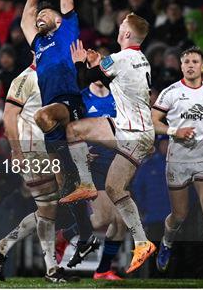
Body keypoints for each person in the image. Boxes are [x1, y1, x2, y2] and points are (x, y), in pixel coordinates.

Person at [63, 13, 156, 274]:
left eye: (121, 27)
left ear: (126, 34)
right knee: (114, 188)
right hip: (134, 130)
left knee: (74, 130)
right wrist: (95, 60)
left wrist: (83, 61)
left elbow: (95, 71)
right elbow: (105, 71)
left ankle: (84, 185)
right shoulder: (140, 59)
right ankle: (141, 243)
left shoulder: (122, 58)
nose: (118, 29)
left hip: (132, 133)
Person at [20, 0, 99, 264]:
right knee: (67, 191)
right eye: (38, 16)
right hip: (56, 111)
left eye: (45, 15)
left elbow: (66, 5)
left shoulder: (65, 30)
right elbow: (25, 20)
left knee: (41, 118)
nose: (40, 17)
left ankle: (74, 174)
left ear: (56, 19)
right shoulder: (38, 44)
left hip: (68, 102)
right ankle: (87, 235)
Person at [0, 61, 73, 283]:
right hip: (31, 149)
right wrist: (16, 151)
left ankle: (0, 247)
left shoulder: (57, 74)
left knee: (49, 208)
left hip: (52, 150)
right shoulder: (24, 78)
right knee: (48, 207)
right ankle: (51, 268)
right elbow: (8, 117)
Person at [151, 46, 203, 282]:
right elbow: (153, 120)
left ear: (201, 66)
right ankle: (167, 243)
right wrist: (174, 131)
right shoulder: (171, 92)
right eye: (186, 61)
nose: (190, 65)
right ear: (181, 66)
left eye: (194, 61)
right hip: (178, 159)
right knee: (179, 215)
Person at [56, 49, 127, 280]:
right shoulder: (83, 97)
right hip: (93, 163)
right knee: (103, 219)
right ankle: (66, 235)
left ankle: (103, 269)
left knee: (121, 222)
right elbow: (70, 129)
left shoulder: (118, 97)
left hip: (118, 162)